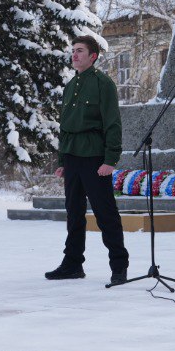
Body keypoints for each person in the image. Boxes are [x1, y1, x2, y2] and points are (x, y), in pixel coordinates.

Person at [45, 34, 129, 286]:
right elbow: (65, 126)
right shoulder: (71, 86)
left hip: (94, 157)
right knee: (74, 214)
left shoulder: (103, 84)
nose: (75, 54)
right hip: (72, 158)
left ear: (93, 56)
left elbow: (112, 123)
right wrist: (62, 160)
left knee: (106, 214)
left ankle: (119, 266)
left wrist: (110, 159)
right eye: (73, 50)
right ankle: (72, 264)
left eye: (80, 50)